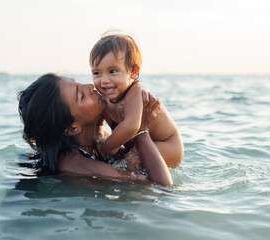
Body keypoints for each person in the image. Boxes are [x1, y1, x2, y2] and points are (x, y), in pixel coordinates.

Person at [18, 73, 173, 186]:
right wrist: (141, 131)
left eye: (79, 83)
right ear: (72, 128)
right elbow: (163, 187)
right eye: (81, 96)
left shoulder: (92, 141)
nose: (90, 87)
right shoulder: (83, 167)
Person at [89, 32, 184, 168]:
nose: (104, 81)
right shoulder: (103, 97)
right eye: (97, 73)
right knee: (118, 158)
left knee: (132, 161)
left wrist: (106, 147)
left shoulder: (136, 92)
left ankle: (149, 186)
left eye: (113, 71)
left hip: (168, 145)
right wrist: (98, 138)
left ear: (133, 72)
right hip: (137, 146)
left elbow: (131, 125)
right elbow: (98, 124)